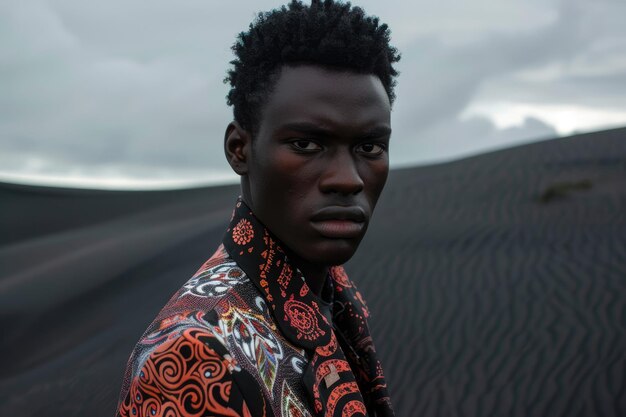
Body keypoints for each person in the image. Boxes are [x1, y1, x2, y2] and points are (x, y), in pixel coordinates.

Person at [116, 1, 400, 416]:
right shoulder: (196, 355)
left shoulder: (334, 301)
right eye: (307, 144)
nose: (348, 179)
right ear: (239, 149)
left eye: (369, 147)